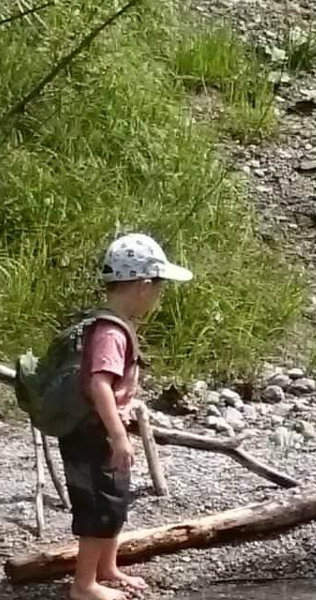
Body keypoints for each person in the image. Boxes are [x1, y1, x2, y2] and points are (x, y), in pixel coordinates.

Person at [60, 233, 193, 600]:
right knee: (97, 505)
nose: (158, 297)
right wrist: (118, 435)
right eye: (158, 288)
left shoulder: (114, 325)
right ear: (143, 286)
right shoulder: (109, 332)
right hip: (93, 433)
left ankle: (107, 568)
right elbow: (99, 384)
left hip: (105, 430)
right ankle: (84, 584)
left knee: (115, 501)